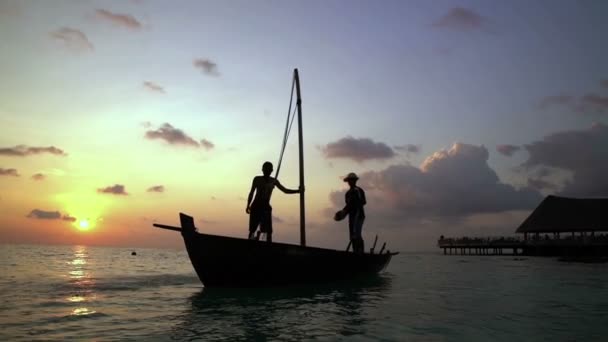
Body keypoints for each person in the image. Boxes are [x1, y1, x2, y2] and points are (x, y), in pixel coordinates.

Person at [246, 161, 300, 242]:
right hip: (256, 206)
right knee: (252, 230)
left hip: (266, 207)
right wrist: (248, 205)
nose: (267, 171)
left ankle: (264, 241)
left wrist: (298, 191)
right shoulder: (257, 179)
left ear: (271, 170)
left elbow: (285, 190)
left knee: (268, 231)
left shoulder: (273, 181)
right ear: (262, 170)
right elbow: (251, 193)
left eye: (268, 169)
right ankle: (254, 239)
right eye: (265, 169)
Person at [334, 172, 366, 254]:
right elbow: (348, 206)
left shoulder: (358, 190)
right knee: (352, 236)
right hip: (351, 217)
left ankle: (360, 252)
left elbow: (363, 202)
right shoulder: (347, 194)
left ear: (355, 181)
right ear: (348, 181)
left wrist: (354, 204)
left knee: (357, 235)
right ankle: (355, 251)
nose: (350, 182)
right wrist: (343, 213)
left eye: (352, 180)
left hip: (359, 215)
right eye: (349, 180)